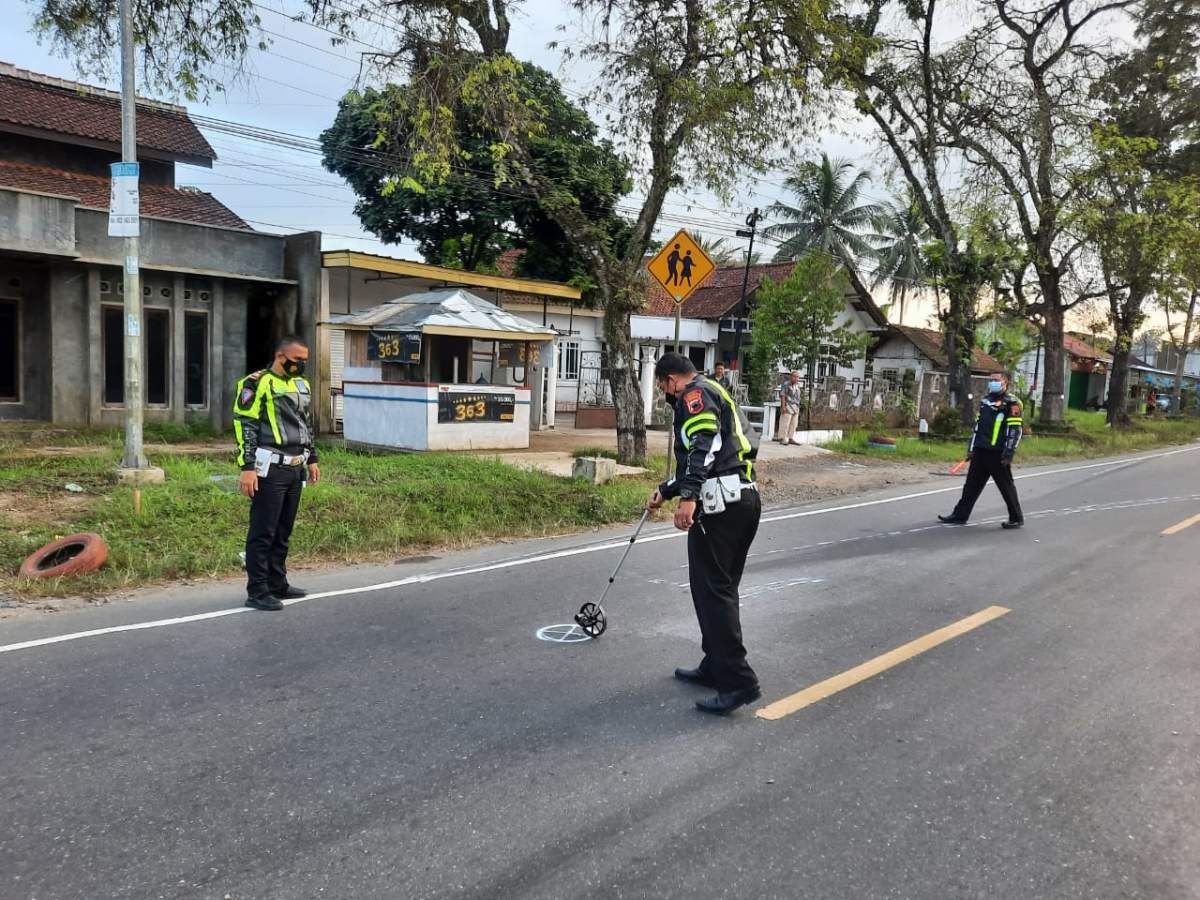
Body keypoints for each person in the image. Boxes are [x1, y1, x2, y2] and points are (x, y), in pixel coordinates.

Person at [648, 352, 762, 715]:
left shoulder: (693, 396)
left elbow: (706, 445)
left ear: (670, 380)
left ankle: (738, 682)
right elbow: (715, 454)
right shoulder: (713, 389)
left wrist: (688, 496)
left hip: (721, 507)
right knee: (717, 590)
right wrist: (667, 489)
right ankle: (715, 663)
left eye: (663, 388)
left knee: (714, 594)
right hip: (740, 498)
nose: (666, 396)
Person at [234, 336, 321, 611]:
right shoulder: (255, 382)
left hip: (296, 467)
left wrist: (313, 458)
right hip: (269, 467)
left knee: (283, 530)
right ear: (281, 356)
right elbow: (245, 425)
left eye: (305, 361)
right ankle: (257, 590)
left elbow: (307, 423)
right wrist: (247, 468)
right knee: (264, 531)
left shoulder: (301, 384)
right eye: (298, 361)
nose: (302, 366)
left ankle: (277, 582)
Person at [938, 371, 1024, 529]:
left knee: (1006, 486)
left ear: (1006, 382)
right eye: (991, 380)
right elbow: (977, 428)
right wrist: (971, 448)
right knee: (971, 485)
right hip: (980, 451)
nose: (993, 382)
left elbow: (1015, 431)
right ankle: (960, 515)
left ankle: (1016, 518)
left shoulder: (1012, 403)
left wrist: (1008, 453)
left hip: (998, 454)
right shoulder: (986, 401)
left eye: (996, 380)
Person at [776, 371, 804, 444]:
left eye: (797, 377)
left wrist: (798, 406)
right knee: (785, 422)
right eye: (794, 376)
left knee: (794, 423)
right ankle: (782, 438)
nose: (796, 378)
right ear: (791, 377)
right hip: (788, 404)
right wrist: (783, 406)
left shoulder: (797, 385)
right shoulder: (786, 384)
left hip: (796, 406)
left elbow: (798, 396)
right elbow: (783, 395)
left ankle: (790, 438)